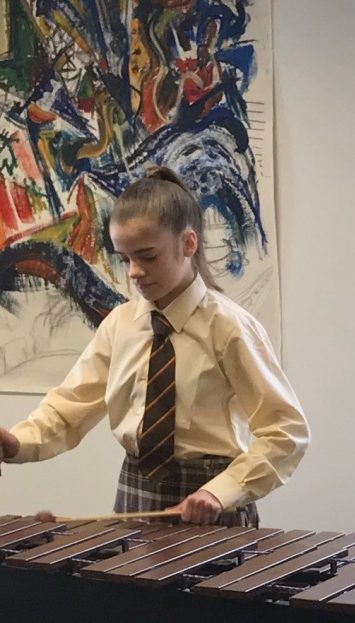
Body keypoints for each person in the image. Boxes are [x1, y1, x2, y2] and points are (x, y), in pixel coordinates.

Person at [0, 166, 309, 526]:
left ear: (188, 244)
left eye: (147, 256)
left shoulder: (230, 328)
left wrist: (220, 491)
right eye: (124, 258)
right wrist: (17, 442)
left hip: (210, 506)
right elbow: (68, 409)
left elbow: (286, 432)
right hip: (134, 496)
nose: (133, 272)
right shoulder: (120, 325)